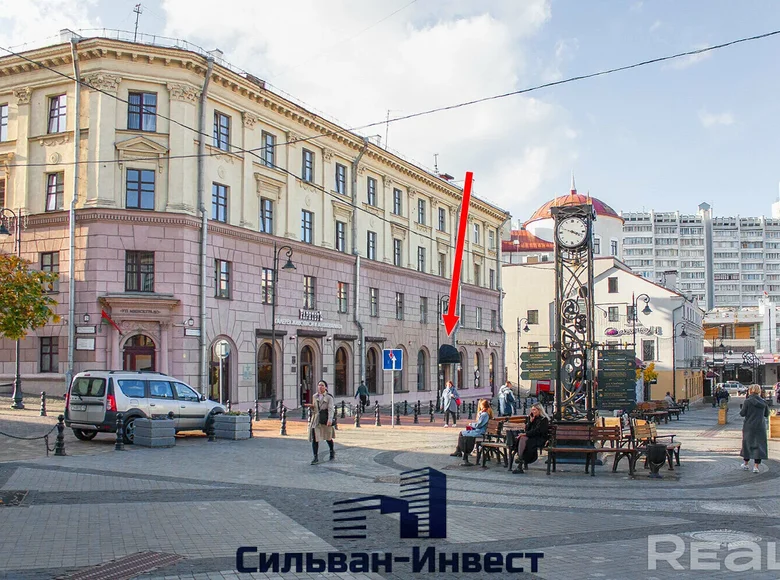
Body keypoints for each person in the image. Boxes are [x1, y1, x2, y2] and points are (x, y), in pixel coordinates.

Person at [450, 399, 493, 465]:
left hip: (480, 432)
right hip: (480, 431)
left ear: (482, 406)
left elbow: (478, 425)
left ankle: (462, 453)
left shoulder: (484, 414)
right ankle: (459, 451)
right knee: (462, 433)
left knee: (463, 434)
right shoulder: (486, 413)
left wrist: (471, 424)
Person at [512, 403, 550, 474]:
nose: (533, 411)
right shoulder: (533, 418)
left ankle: (520, 460)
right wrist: (530, 422)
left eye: (534, 410)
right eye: (532, 410)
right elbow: (527, 430)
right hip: (532, 437)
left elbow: (538, 431)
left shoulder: (544, 419)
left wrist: (526, 434)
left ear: (539, 410)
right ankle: (520, 461)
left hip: (539, 438)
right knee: (522, 438)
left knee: (526, 441)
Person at [305, 380, 336, 464]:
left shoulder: (329, 397)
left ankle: (332, 451)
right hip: (316, 420)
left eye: (322, 385)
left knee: (328, 437)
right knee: (315, 438)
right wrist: (311, 406)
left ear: (325, 387)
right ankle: (315, 457)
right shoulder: (315, 396)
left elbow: (331, 409)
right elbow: (315, 407)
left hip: (325, 419)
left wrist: (330, 419)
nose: (320, 387)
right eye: (319, 385)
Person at [740, 384, 769, 473]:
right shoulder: (763, 402)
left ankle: (746, 464)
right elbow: (766, 414)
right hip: (760, 426)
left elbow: (742, 413)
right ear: (759, 391)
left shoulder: (747, 401)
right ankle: (756, 467)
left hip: (749, 426)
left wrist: (742, 408)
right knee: (759, 445)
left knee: (747, 444)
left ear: (750, 391)